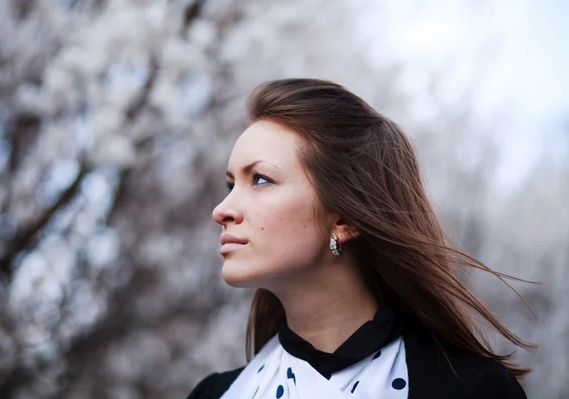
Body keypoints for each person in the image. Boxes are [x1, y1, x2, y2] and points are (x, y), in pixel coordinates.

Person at [187, 78, 533, 399]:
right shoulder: (216, 394)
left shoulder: (469, 389)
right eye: (231, 185)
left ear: (344, 218)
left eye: (260, 179)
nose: (222, 209)